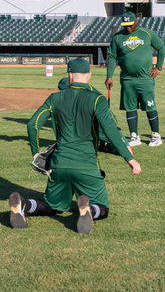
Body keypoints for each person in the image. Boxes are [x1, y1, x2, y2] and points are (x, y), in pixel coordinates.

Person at [10, 59, 141, 235]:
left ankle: (24, 206)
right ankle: (88, 211)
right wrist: (130, 159)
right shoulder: (97, 100)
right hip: (86, 165)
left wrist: (36, 153)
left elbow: (32, 124)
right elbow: (111, 131)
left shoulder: (55, 98)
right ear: (89, 76)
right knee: (102, 207)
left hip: (59, 164)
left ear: (70, 75)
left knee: (52, 205)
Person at [105, 12, 165, 147]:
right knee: (130, 107)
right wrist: (109, 76)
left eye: (130, 25)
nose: (128, 28)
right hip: (127, 80)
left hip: (145, 78)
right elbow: (112, 57)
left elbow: (161, 48)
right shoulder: (117, 37)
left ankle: (156, 135)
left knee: (150, 106)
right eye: (125, 25)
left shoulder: (147, 33)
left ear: (136, 22)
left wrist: (159, 67)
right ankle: (134, 137)